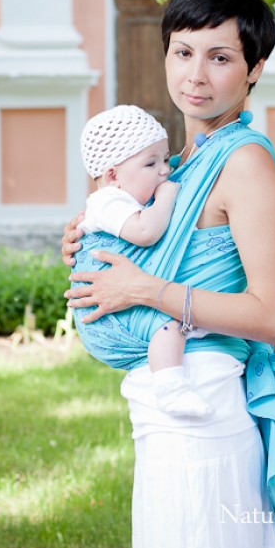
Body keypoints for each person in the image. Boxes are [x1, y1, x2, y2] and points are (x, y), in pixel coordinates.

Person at [63, 0, 275, 548]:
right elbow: (142, 244)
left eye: (220, 57)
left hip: (204, 412)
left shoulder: (243, 164)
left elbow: (272, 317)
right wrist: (87, 238)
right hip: (165, 410)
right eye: (183, 52)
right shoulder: (174, 167)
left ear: (254, 68)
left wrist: (142, 290)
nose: (196, 74)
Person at [78, 103, 213, 418]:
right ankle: (170, 389)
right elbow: (146, 232)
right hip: (110, 319)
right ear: (112, 175)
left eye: (166, 159)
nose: (164, 170)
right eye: (151, 163)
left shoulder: (124, 199)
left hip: (116, 304)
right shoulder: (108, 201)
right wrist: (167, 197)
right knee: (168, 324)